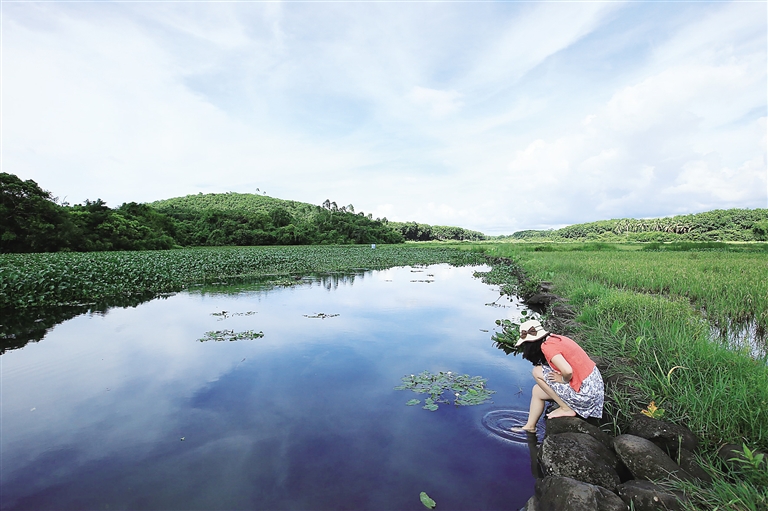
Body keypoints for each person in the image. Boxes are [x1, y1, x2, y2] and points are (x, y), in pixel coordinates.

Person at [511, 319, 604, 433]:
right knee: (537, 391)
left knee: (537, 372)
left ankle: (565, 408)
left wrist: (563, 379)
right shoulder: (555, 338)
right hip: (594, 387)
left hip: (586, 393)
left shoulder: (547, 347)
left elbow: (568, 371)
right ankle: (530, 427)